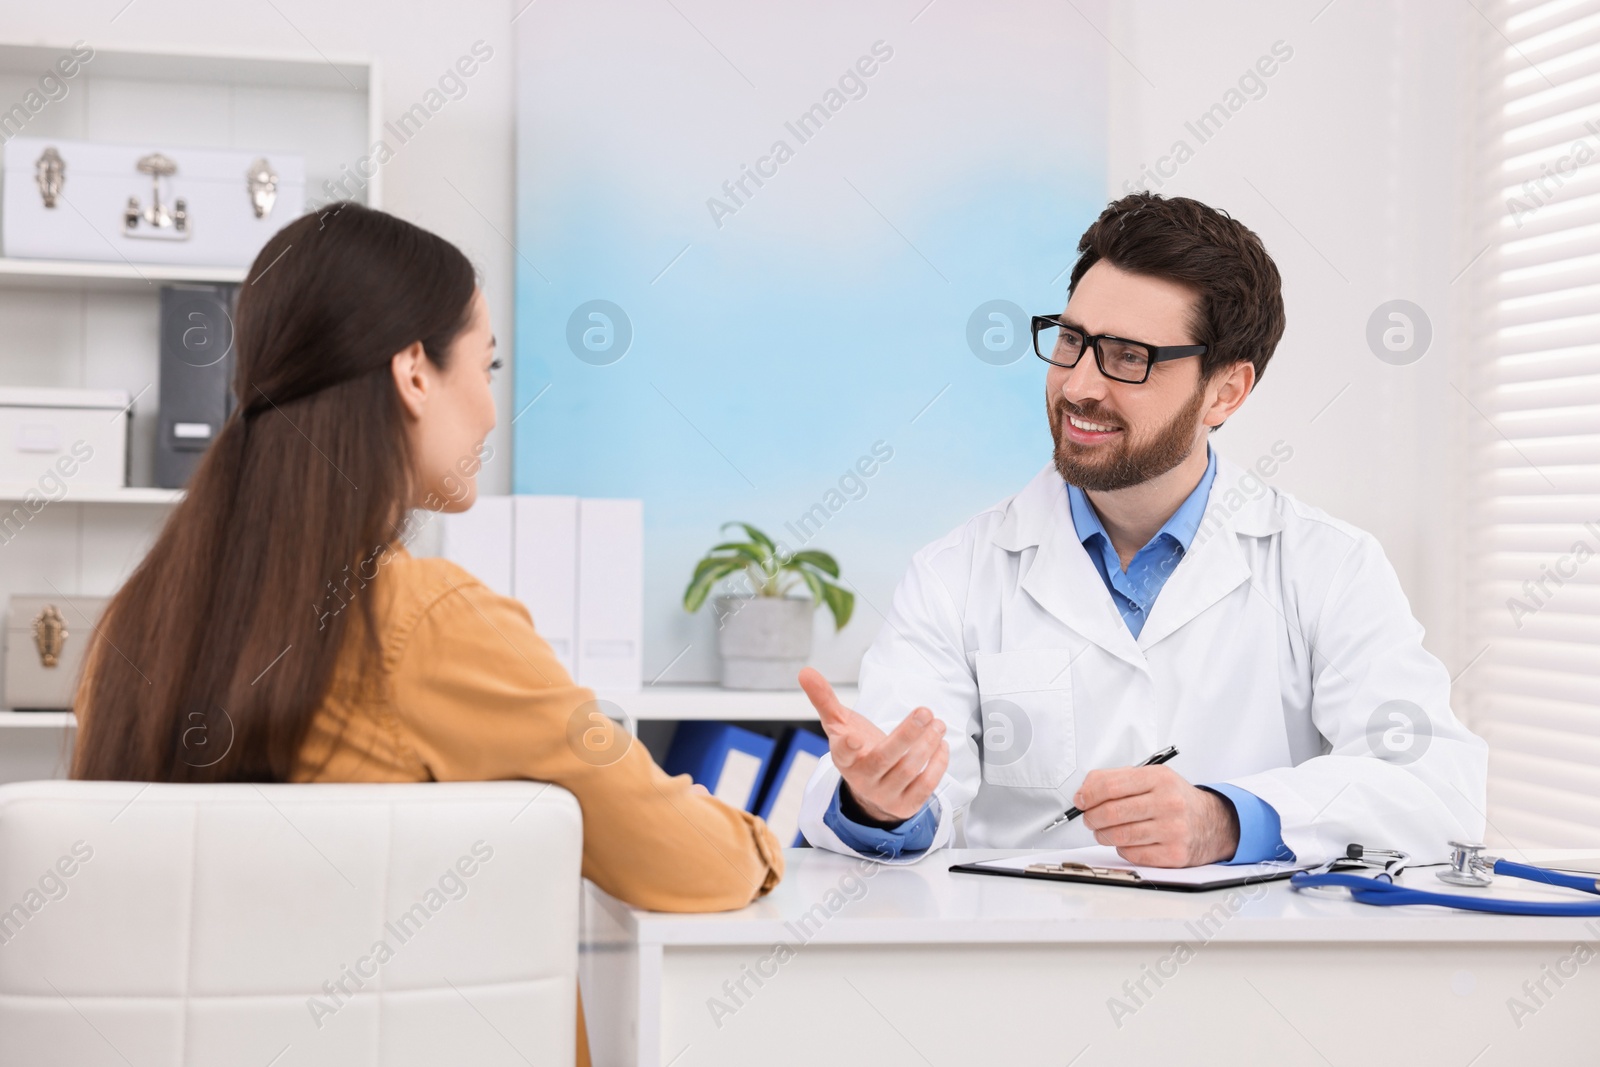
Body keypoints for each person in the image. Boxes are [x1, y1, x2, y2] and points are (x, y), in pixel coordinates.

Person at [70, 202, 782, 1062]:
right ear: (414, 372)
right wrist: (764, 838)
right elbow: (690, 865)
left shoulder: (133, 631)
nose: (489, 409)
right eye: (487, 364)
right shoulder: (430, 623)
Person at [797, 192, 1488, 868]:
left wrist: (1223, 819)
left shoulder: (1327, 566)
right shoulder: (955, 574)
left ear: (1226, 391)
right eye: (1072, 342)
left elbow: (1436, 785)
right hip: (1019, 967)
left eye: (1129, 357)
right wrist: (882, 803)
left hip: (1252, 970)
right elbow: (905, 786)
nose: (1079, 386)